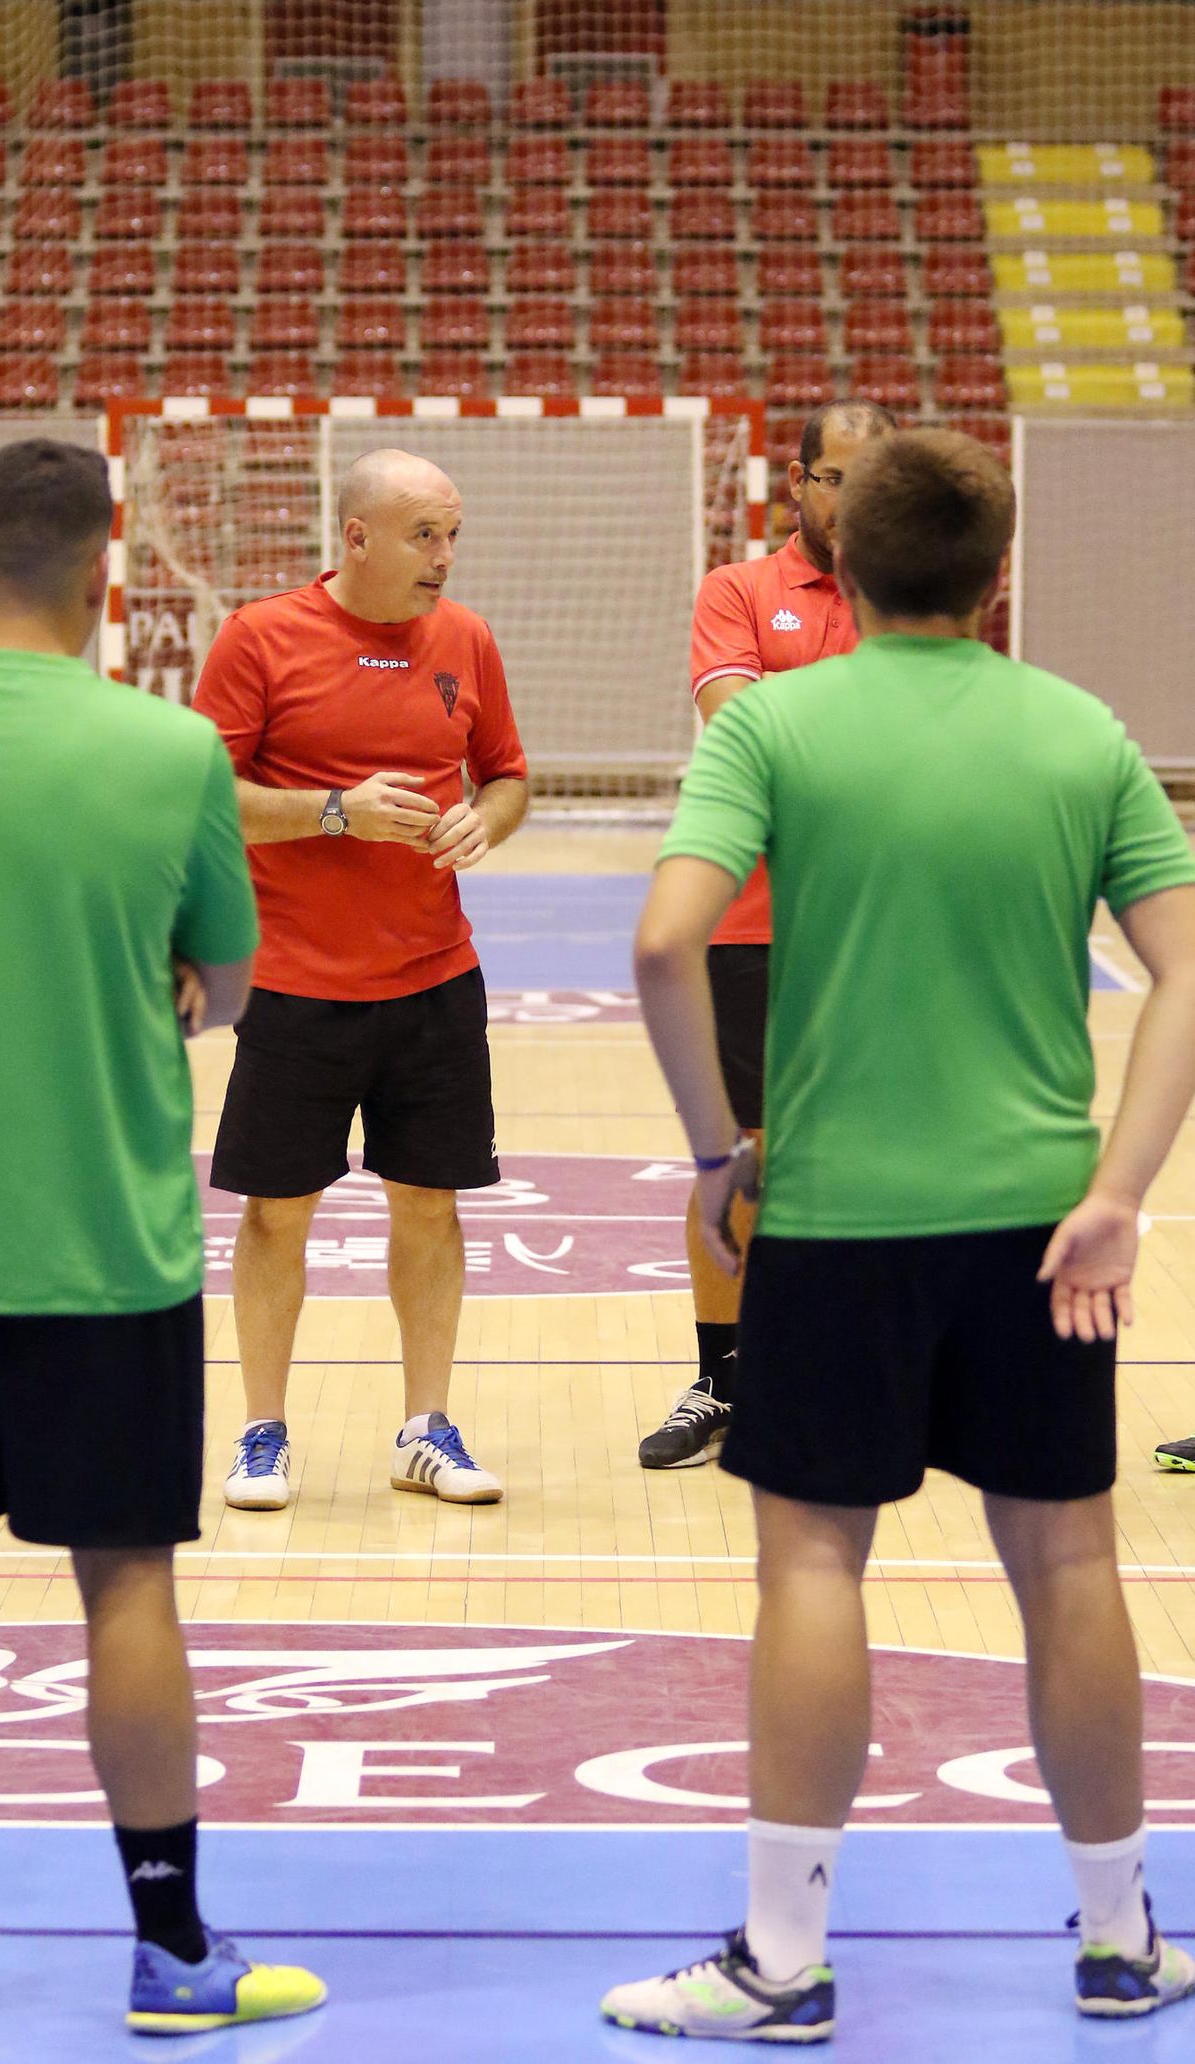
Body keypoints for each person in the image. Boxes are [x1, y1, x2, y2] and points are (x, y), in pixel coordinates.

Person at [606, 429, 1195, 2039]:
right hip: (1034, 1228)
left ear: (839, 565)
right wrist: (1119, 1193)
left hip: (836, 1220)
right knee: (1068, 1561)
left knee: (811, 1562)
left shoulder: (780, 723)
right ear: (998, 579)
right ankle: (1119, 1939)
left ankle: (781, 1964)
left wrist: (714, 1150)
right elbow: (1187, 969)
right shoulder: (1083, 732)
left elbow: (666, 941)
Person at [0, 439, 324, 2033]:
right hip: (108, 1246)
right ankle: (171, 1952)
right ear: (110, 580)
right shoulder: (172, 754)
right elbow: (225, 986)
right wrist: (160, 977)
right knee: (127, 1587)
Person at [193, 448, 529, 1513]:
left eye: (453, 535)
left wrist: (490, 816)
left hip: (435, 976)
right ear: (357, 536)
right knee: (275, 1214)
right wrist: (335, 810)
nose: (444, 556)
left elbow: (510, 774)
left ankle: (425, 1428)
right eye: (425, 533)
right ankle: (261, 1434)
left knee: (430, 1205)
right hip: (295, 980)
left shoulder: (465, 640)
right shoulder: (262, 637)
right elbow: (203, 794)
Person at [640, 400, 895, 1471]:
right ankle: (724, 1378)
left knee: (868, 1159)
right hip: (746, 927)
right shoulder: (736, 591)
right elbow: (738, 728)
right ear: (797, 484)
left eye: (873, 479)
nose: (850, 498)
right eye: (833, 477)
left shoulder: (912, 601)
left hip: (874, 926)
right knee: (739, 1158)